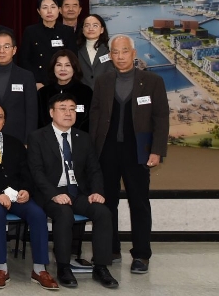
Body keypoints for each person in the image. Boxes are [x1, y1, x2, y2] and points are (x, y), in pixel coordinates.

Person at [90, 34, 169, 274]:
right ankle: (110, 249)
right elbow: (95, 116)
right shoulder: (103, 81)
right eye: (115, 52)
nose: (120, 56)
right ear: (110, 56)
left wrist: (157, 150)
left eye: (125, 51)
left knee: (139, 202)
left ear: (133, 54)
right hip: (107, 151)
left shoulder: (153, 81)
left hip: (138, 151)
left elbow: (161, 118)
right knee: (107, 202)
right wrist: (92, 151)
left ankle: (141, 254)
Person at [27, 94, 118, 289]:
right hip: (50, 193)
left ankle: (101, 267)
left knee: (103, 212)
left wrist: (97, 191)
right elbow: (36, 172)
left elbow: (94, 169)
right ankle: (63, 267)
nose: (68, 113)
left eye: (72, 109)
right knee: (64, 213)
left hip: (77, 192)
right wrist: (54, 194)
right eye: (63, 108)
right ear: (51, 112)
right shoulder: (37, 137)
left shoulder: (83, 138)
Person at [0, 104, 55, 290]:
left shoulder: (15, 143)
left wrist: (26, 189)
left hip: (17, 194)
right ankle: (1, 268)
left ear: (4, 121)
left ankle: (40, 269)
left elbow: (26, 170)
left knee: (37, 214)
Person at [0, 31, 38, 143]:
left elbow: (32, 113)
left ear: (14, 50)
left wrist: (28, 141)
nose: (2, 51)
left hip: (18, 138)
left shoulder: (26, 76)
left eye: (6, 46)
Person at [20, 0, 77, 87]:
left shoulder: (67, 31)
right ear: (39, 11)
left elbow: (73, 58)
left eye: (53, 7)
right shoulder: (30, 31)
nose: (49, 11)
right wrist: (35, 81)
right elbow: (24, 60)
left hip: (61, 80)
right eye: (45, 7)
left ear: (59, 10)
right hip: (38, 82)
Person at [37, 50, 93, 130]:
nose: (63, 69)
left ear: (74, 68)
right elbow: (39, 121)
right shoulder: (43, 93)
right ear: (53, 68)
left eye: (67, 65)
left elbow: (90, 120)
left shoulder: (86, 91)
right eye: (59, 65)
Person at [76, 14, 115, 90]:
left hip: (106, 91)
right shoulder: (76, 48)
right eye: (87, 25)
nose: (91, 29)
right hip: (82, 92)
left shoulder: (111, 48)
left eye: (95, 25)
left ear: (102, 30)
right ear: (82, 30)